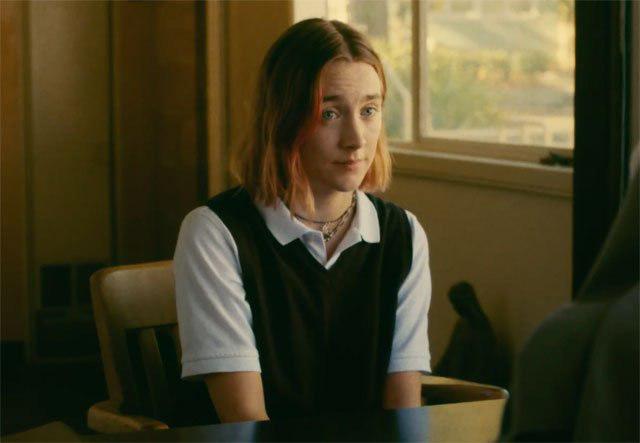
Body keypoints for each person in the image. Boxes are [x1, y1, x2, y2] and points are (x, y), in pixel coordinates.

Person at [174, 18, 432, 424]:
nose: (356, 138)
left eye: (369, 110)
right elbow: (245, 420)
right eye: (329, 113)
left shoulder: (403, 235)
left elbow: (403, 411)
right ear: (284, 118)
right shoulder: (215, 233)